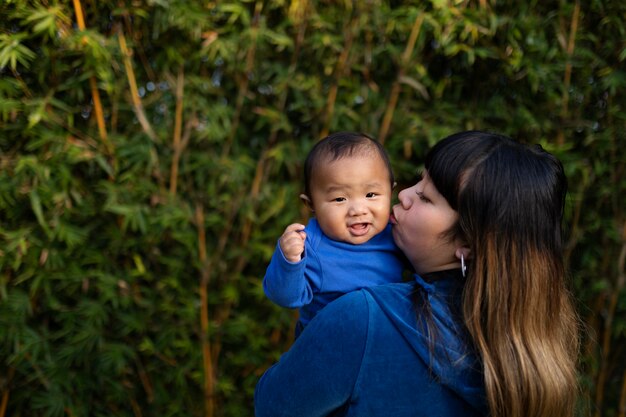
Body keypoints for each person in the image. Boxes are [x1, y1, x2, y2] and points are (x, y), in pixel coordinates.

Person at [255, 131, 580, 417]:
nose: (404, 195)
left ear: (468, 243)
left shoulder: (362, 318)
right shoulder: (523, 346)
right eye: (417, 181)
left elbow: (273, 406)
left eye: (426, 196)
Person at [263, 131, 407, 337]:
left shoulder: (395, 233)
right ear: (311, 204)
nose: (358, 209)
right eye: (340, 199)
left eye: (371, 195)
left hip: (383, 339)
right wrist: (289, 260)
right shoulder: (310, 246)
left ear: (390, 193)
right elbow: (285, 297)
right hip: (329, 344)